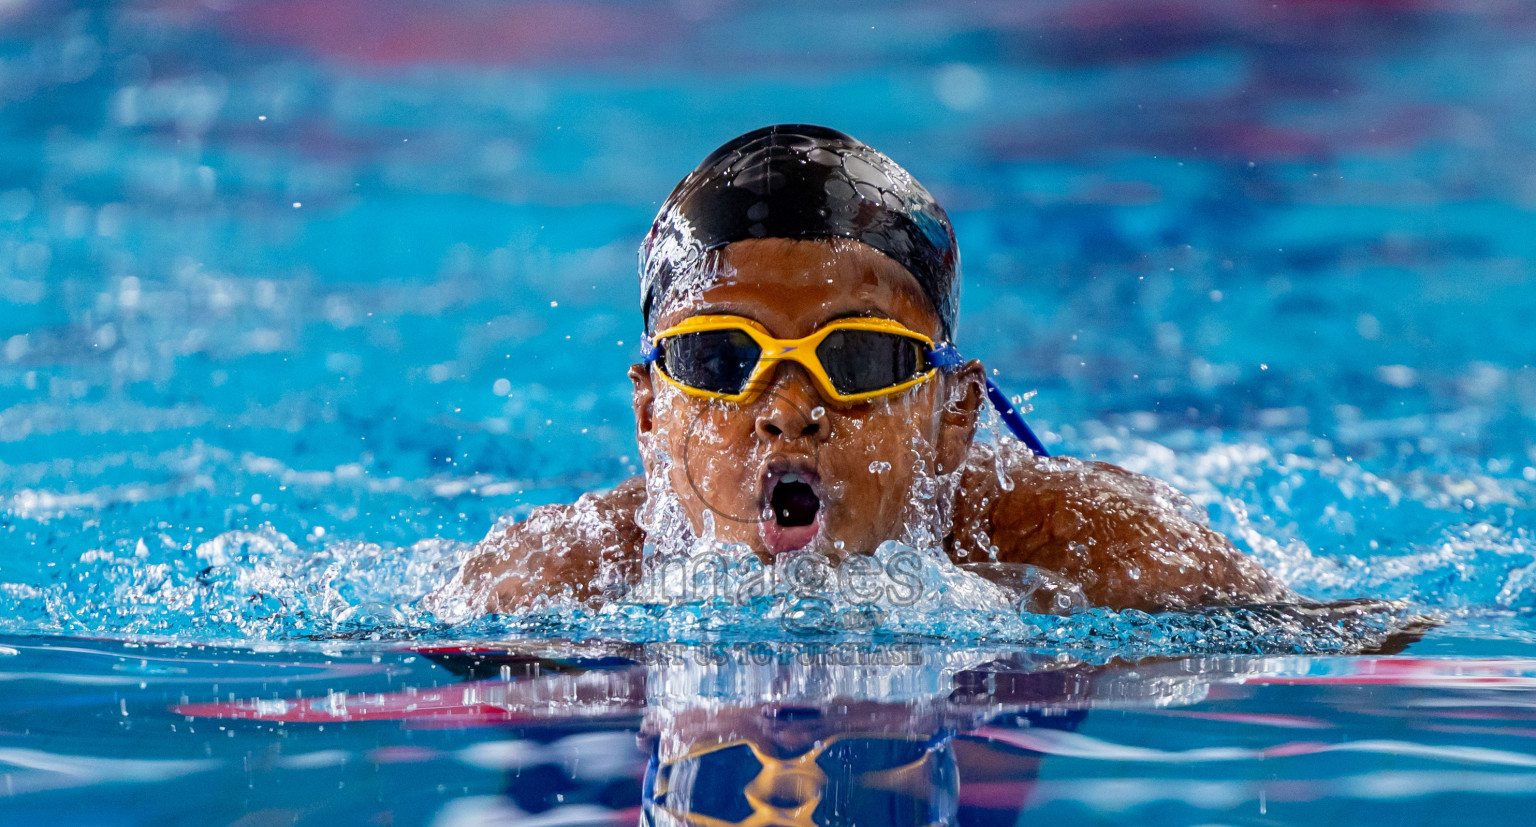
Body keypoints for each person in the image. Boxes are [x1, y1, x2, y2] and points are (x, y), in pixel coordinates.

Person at [434, 124, 1286, 616]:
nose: (790, 409)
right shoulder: (549, 586)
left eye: (858, 357)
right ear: (651, 416)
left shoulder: (1097, 553)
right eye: (723, 356)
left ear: (955, 414)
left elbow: (1360, 646)